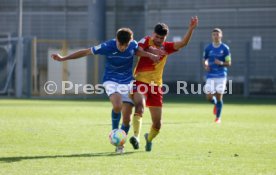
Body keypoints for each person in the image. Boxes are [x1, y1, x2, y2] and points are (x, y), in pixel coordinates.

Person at [51, 28, 160, 153]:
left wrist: (150, 55)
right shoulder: (107, 46)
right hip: (111, 80)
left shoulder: (133, 44)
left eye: (126, 45)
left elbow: (137, 51)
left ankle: (120, 144)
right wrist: (64, 58)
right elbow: (86, 52)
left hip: (127, 82)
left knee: (127, 119)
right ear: (116, 40)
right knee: (117, 106)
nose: (123, 48)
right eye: (120, 45)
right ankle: (114, 133)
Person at [128, 16, 199, 152]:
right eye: (158, 37)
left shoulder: (167, 47)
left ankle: (148, 139)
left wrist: (191, 28)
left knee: (157, 124)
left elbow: (183, 43)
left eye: (162, 38)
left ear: (166, 37)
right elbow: (136, 51)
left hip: (156, 86)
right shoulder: (146, 41)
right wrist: (150, 54)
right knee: (139, 107)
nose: (159, 40)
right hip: (141, 81)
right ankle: (135, 137)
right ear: (153, 34)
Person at [203, 28, 231, 124]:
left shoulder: (225, 48)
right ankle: (215, 104)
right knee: (209, 97)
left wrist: (221, 62)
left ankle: (218, 118)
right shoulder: (208, 48)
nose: (216, 36)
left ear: (221, 35)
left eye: (217, 34)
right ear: (212, 36)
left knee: (219, 97)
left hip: (221, 75)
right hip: (210, 75)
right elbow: (205, 59)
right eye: (214, 34)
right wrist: (206, 64)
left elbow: (229, 63)